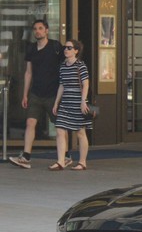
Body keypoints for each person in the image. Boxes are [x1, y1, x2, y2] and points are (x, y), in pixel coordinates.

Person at [9, 19, 68, 169]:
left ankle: (66, 156)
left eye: (41, 28)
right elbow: (28, 72)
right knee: (30, 123)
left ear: (47, 30)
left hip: (53, 93)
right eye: (35, 29)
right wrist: (25, 94)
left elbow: (67, 65)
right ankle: (26, 157)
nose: (37, 31)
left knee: (60, 126)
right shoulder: (31, 49)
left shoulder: (56, 47)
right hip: (36, 92)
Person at [51, 40, 91, 170]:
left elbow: (86, 84)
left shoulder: (81, 66)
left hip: (78, 102)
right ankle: (61, 161)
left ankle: (82, 162)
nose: (66, 50)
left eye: (69, 48)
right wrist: (56, 102)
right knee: (60, 129)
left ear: (76, 50)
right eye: (65, 48)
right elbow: (61, 85)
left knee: (80, 132)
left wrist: (83, 101)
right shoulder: (63, 66)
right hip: (66, 103)